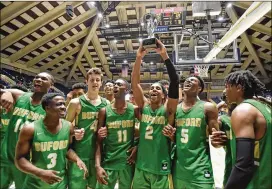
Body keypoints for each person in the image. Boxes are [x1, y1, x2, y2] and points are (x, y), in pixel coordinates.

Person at [131, 39, 179, 189]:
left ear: (164, 96)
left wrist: (164, 55)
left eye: (157, 88)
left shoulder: (168, 110)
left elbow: (175, 81)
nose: (153, 90)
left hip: (161, 167)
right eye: (151, 88)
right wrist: (139, 58)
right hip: (141, 166)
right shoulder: (143, 106)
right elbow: (134, 83)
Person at [15, 93, 88, 189]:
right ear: (47, 107)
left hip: (60, 183)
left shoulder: (68, 126)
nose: (63, 107)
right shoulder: (30, 129)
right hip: (35, 184)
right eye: (58, 104)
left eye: (63, 104)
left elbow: (67, 150)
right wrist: (40, 173)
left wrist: (77, 159)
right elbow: (19, 159)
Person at [0, 72, 54, 188]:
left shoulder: (50, 109)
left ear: (51, 85)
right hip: (5, 156)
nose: (38, 79)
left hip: (25, 161)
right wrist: (6, 93)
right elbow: (3, 92)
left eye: (44, 79)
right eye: (36, 77)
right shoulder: (20, 95)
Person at [223, 70, 271, 189]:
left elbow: (244, 164)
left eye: (227, 87)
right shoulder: (265, 107)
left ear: (239, 88)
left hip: (253, 183)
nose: (225, 91)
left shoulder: (243, 110)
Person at [172, 74, 219, 189]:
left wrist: (219, 140)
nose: (187, 81)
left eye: (192, 80)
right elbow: (173, 138)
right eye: (186, 80)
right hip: (179, 168)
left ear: (199, 88)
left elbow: (216, 141)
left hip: (200, 168)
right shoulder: (175, 109)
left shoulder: (208, 108)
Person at [66, 68, 109, 189]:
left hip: (98, 155)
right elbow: (64, 126)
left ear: (101, 83)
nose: (95, 82)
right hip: (80, 153)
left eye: (98, 80)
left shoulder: (107, 104)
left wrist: (106, 131)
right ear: (86, 81)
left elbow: (109, 127)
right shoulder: (76, 102)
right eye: (92, 80)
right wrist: (74, 132)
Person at [95, 78, 138, 189]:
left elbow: (146, 131)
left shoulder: (134, 110)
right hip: (109, 161)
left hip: (127, 162)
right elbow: (98, 142)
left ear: (127, 90)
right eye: (114, 84)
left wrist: (137, 146)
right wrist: (97, 166)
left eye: (119, 84)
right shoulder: (104, 111)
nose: (115, 86)